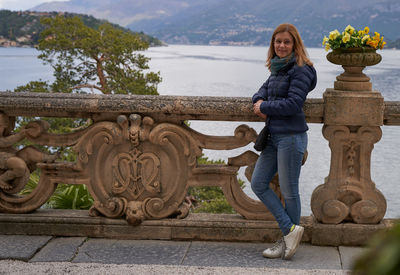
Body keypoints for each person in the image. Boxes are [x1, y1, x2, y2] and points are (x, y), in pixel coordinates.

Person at [251, 23, 317, 260]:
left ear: (295, 44)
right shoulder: (277, 68)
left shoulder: (301, 69)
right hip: (273, 136)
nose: (281, 45)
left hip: (291, 137)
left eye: (286, 42)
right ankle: (290, 231)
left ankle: (287, 239)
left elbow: (293, 104)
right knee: (258, 183)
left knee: (290, 192)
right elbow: (259, 93)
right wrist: (260, 101)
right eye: (277, 42)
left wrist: (265, 107)